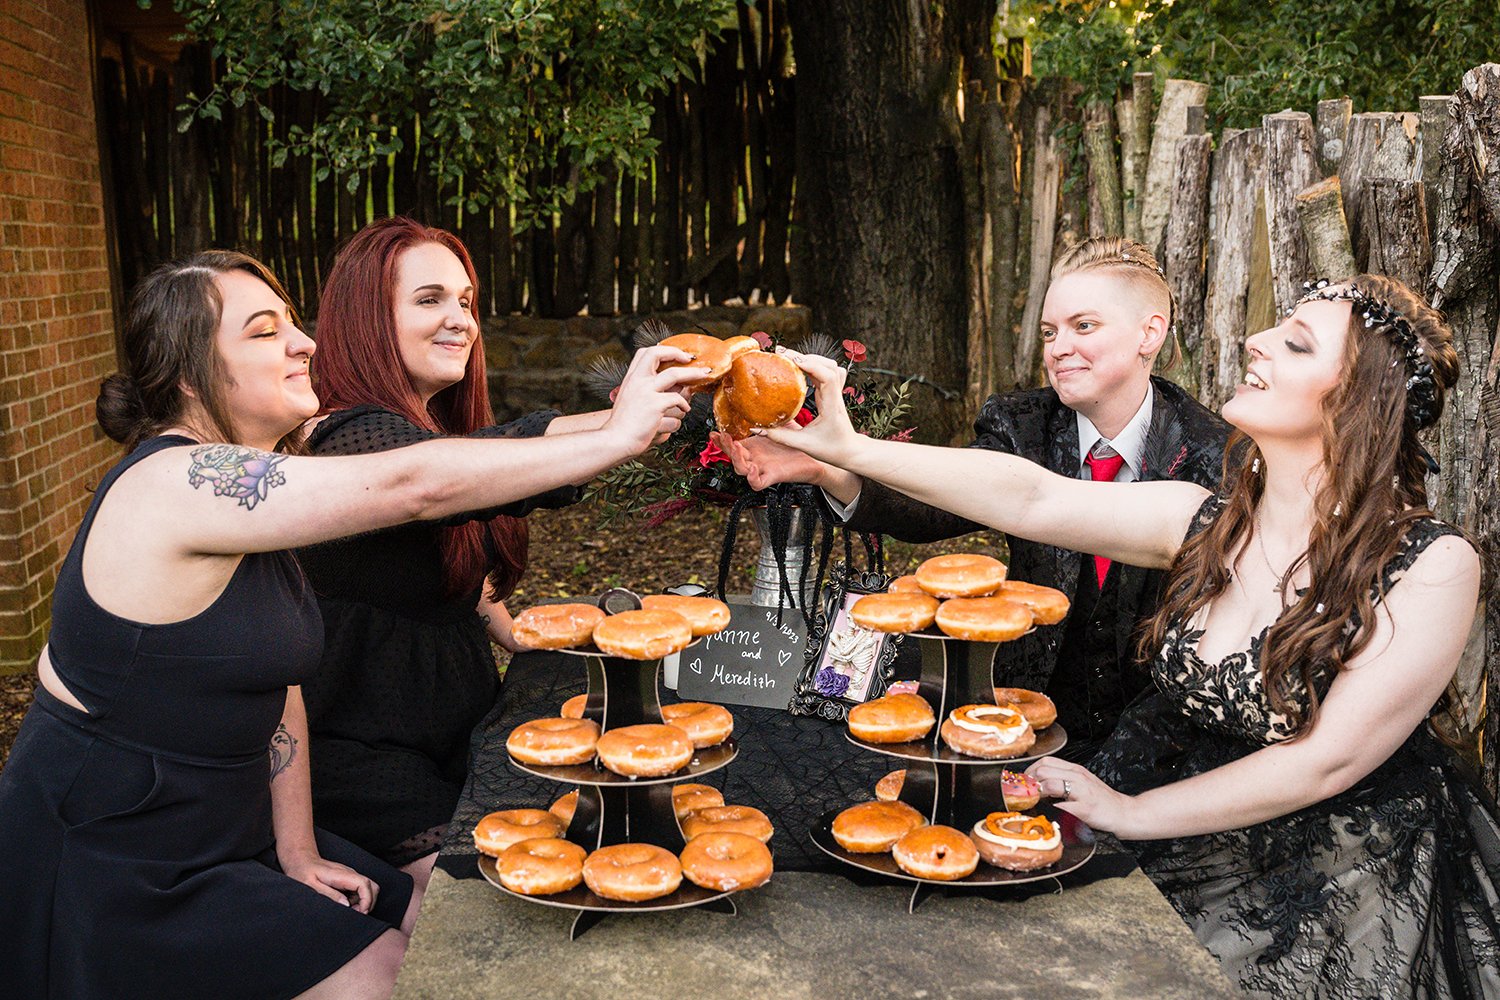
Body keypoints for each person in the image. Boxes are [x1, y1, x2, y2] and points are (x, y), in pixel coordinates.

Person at [759, 273, 1499, 997]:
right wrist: (847, 449)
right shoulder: (1200, 518)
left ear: (1356, 399)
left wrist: (1131, 812)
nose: (1256, 339)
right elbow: (1033, 495)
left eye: (1296, 343)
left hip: (1339, 876)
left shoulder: (1432, 566)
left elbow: (1325, 763)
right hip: (1163, 809)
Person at [0, 249, 699, 1000]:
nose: (304, 343)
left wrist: (296, 849)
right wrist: (616, 438)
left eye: (294, 323)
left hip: (237, 832)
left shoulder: (251, 500)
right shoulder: (175, 480)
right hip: (119, 852)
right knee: (396, 978)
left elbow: (280, 687)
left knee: (450, 922)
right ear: (185, 375)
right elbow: (414, 482)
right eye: (265, 332)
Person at [724, 237, 1231, 760]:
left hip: (1163, 739)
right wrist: (829, 469)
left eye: (1084, 326)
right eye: (1050, 332)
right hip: (1019, 719)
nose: (1058, 348)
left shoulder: (1216, 452)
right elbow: (936, 504)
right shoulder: (1020, 425)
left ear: (1151, 332)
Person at [296, 217, 640, 889]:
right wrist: (620, 432)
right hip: (364, 764)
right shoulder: (340, 438)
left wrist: (665, 415)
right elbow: (426, 483)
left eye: (465, 302)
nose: (461, 320)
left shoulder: (432, 433)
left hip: (464, 732)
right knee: (491, 909)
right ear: (366, 316)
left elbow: (465, 572)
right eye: (430, 300)